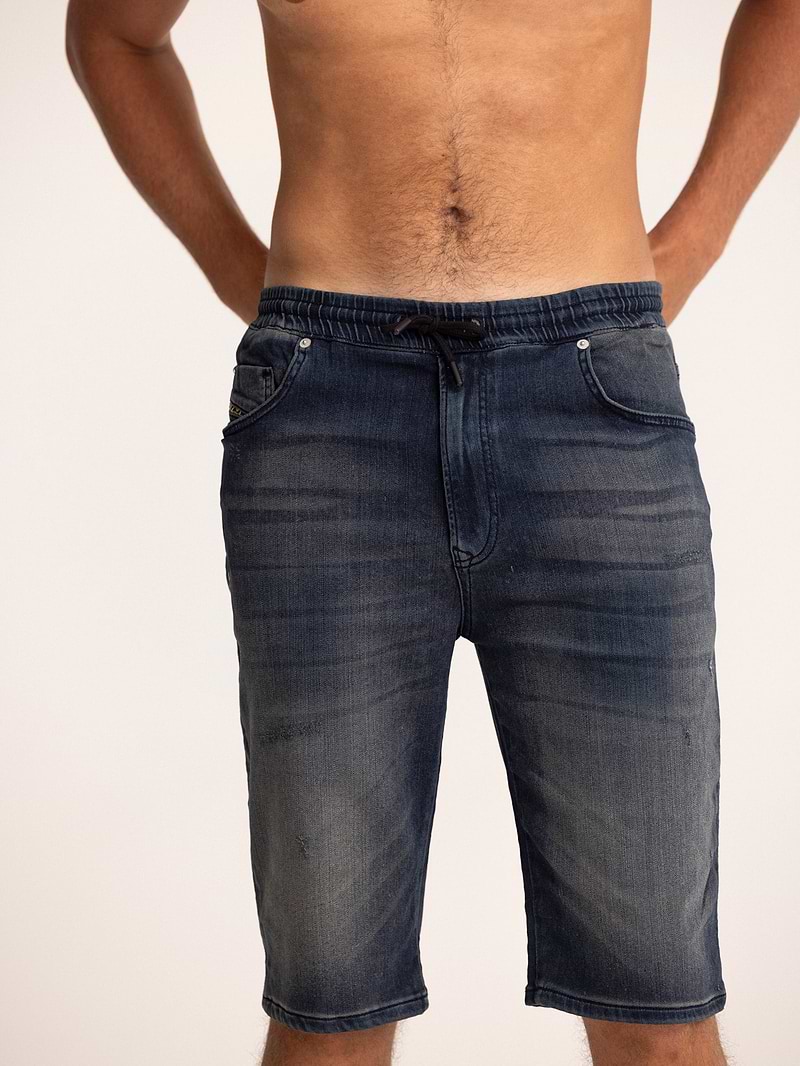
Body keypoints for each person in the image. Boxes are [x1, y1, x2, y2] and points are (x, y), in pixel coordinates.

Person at [66, 2, 799, 1064]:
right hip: (329, 408)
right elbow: (114, 32)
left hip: (593, 394)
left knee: (658, 1000)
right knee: (328, 1001)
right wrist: (242, 269)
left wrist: (697, 235)